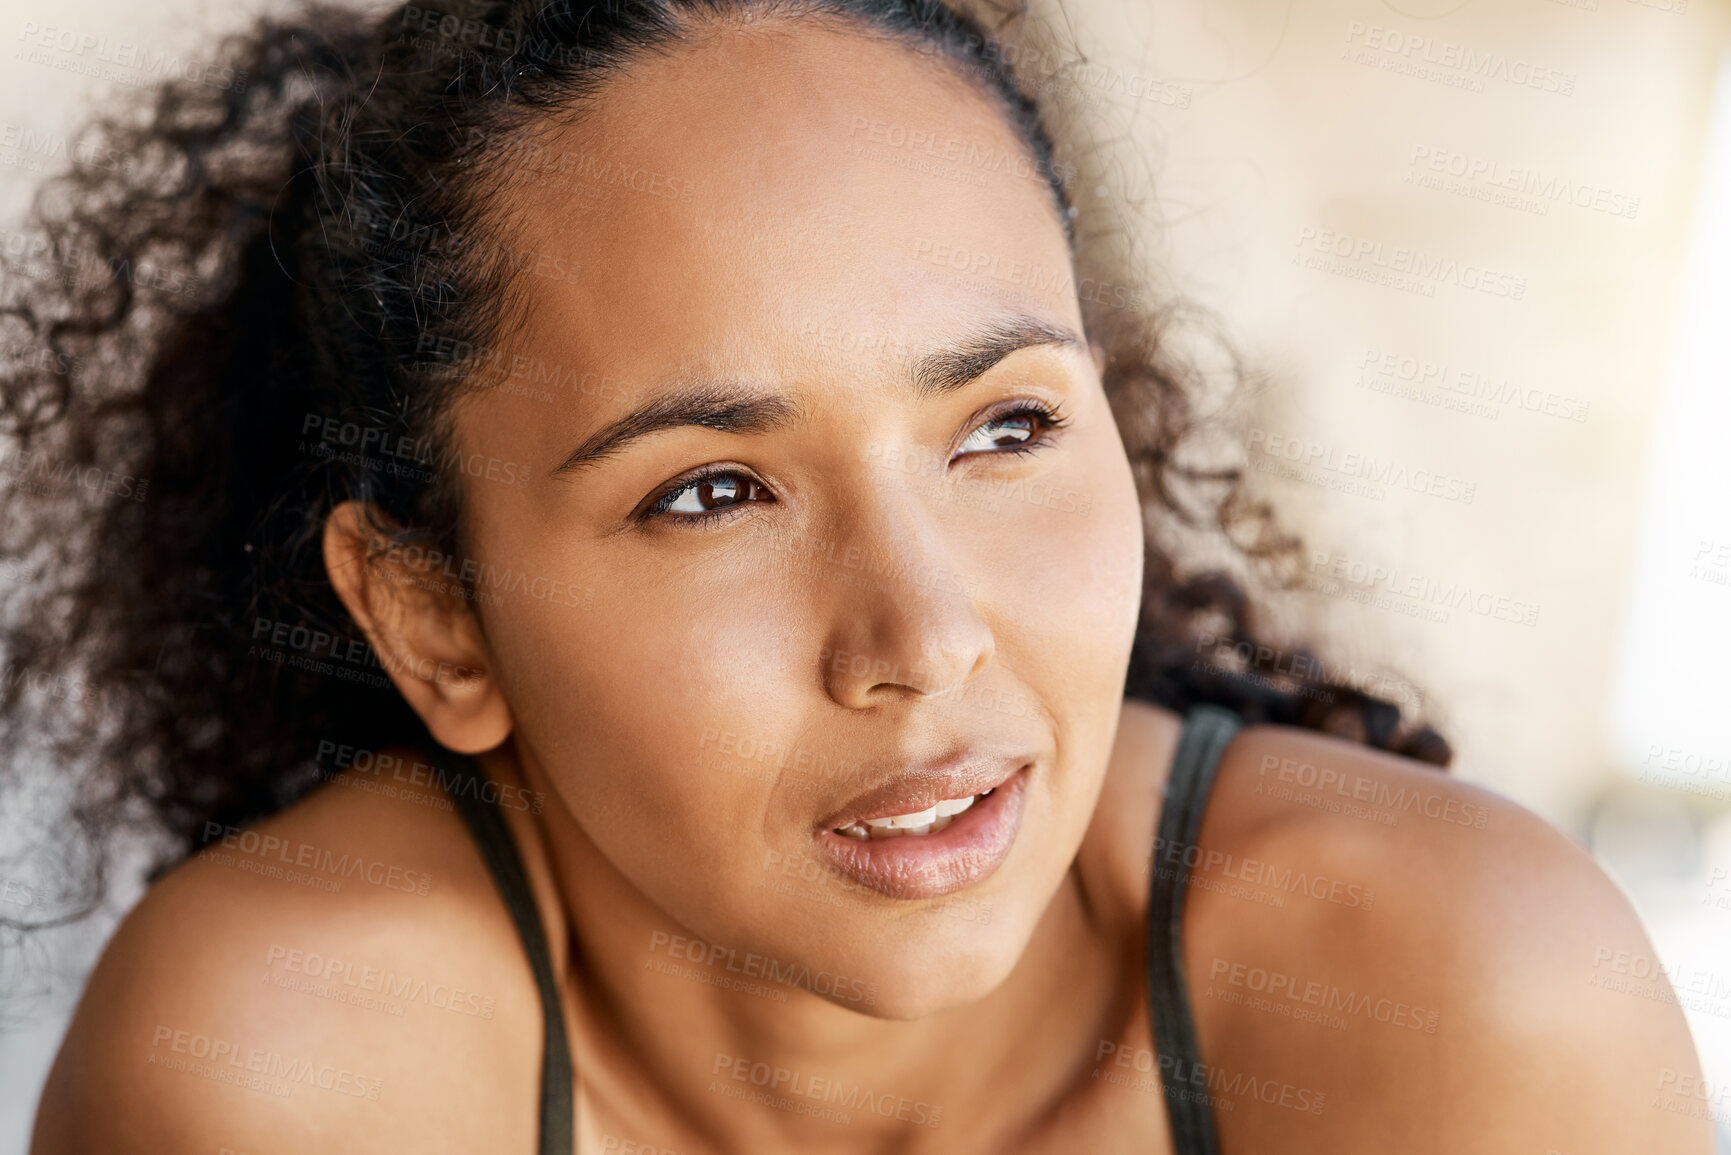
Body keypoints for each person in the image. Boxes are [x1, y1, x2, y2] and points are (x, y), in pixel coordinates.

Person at [3, 0, 1706, 1151]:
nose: (924, 637)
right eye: (715, 491)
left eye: (1003, 430)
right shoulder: (282, 1071)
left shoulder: (1463, 999)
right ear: (434, 616)